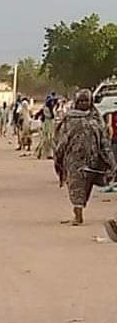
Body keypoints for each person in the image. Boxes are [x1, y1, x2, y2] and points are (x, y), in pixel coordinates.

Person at [54, 89, 115, 226]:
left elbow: (104, 141)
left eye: (86, 101)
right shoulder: (69, 119)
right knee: (75, 186)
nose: (83, 103)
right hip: (73, 160)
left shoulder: (96, 119)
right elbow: (60, 140)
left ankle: (79, 210)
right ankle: (78, 214)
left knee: (86, 187)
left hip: (91, 159)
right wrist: (58, 157)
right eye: (80, 101)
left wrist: (111, 161)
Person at [35, 95, 55, 160]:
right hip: (48, 124)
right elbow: (52, 116)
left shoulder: (45, 108)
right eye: (51, 102)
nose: (52, 103)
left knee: (46, 140)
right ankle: (44, 153)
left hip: (48, 124)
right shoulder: (47, 109)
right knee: (48, 139)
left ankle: (44, 153)